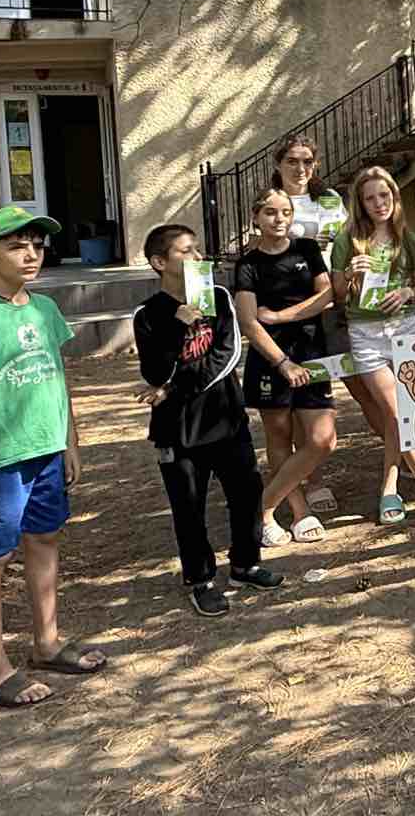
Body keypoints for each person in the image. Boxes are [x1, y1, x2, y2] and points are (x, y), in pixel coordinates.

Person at [0, 206, 106, 707]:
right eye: (16, 246)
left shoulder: (46, 309)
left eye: (36, 244)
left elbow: (56, 378)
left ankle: (46, 643)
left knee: (45, 540)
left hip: (46, 450)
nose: (31, 254)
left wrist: (70, 441)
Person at [133, 224, 285, 616]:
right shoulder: (148, 315)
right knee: (189, 506)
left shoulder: (216, 296)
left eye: (197, 249)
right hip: (178, 429)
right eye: (185, 251)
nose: (198, 257)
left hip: (225, 416)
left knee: (246, 492)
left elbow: (226, 355)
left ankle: (245, 564)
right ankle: (200, 580)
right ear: (159, 262)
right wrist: (177, 325)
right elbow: (154, 371)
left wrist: (173, 389)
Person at [328, 166, 415, 526]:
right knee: (397, 413)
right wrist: (351, 274)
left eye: (384, 195)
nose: (378, 203)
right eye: (370, 198)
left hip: (405, 330)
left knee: (399, 415)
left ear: (394, 198)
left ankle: (389, 488)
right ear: (360, 203)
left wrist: (407, 293)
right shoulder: (347, 241)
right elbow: (338, 294)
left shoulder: (408, 239)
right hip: (366, 335)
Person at [233, 188, 338, 547]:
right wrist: (282, 363)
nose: (279, 219)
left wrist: (281, 316)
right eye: (270, 212)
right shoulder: (247, 264)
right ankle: (299, 511)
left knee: (323, 439)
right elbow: (249, 321)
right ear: (256, 217)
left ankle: (261, 506)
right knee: (280, 437)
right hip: (270, 361)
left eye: (286, 212)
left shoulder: (306, 249)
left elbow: (327, 296)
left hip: (312, 354)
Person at [269, 134, 347, 517]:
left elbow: (347, 242)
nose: (300, 169)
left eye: (307, 162)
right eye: (292, 161)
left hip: (334, 303)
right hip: (292, 309)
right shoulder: (273, 202)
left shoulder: (329, 198)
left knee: (351, 385)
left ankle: (407, 458)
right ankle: (312, 480)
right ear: (278, 164)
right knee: (302, 395)